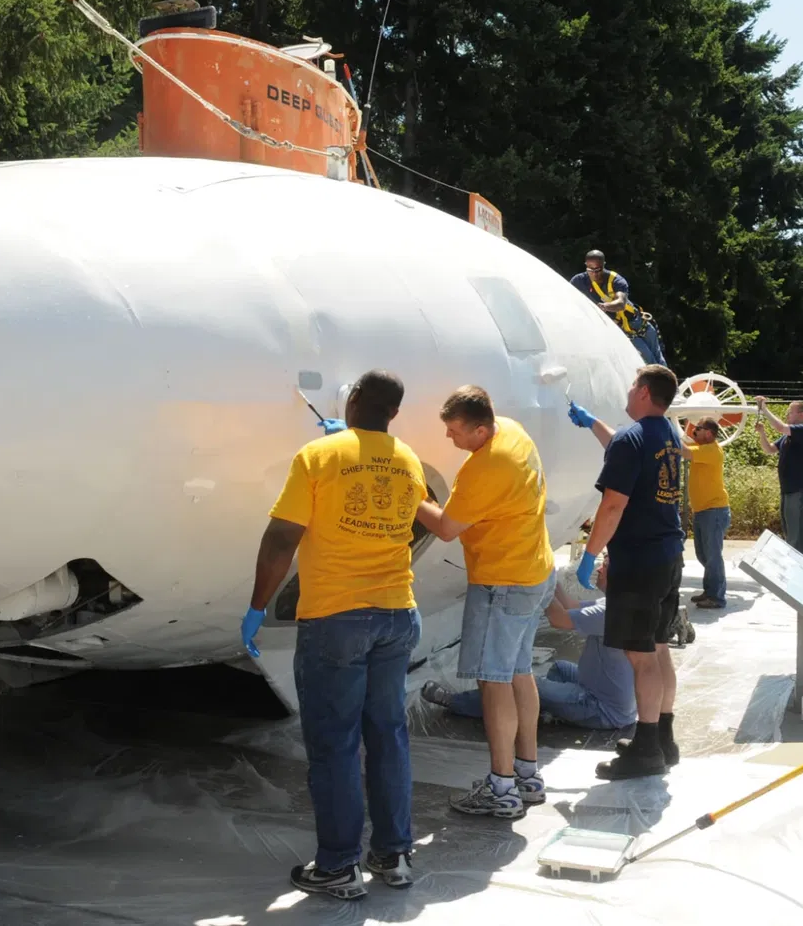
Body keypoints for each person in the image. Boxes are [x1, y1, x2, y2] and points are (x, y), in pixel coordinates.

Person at [240, 371, 426, 900]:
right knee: (387, 734)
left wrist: (258, 607)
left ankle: (339, 865)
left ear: (355, 400)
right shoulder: (408, 459)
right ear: (393, 412)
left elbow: (281, 537)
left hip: (337, 618)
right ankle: (393, 854)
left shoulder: (318, 456)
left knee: (335, 744)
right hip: (396, 614)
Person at [412, 387, 556, 820]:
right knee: (518, 672)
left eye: (456, 433)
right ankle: (527, 774)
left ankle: (502, 787)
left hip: (503, 582)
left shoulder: (488, 465)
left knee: (493, 683)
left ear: (479, 429)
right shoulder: (512, 431)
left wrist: (406, 487)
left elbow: (446, 527)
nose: (450, 440)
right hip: (533, 572)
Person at [565, 364, 683, 780]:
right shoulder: (667, 434)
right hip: (668, 555)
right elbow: (623, 446)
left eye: (634, 385)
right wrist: (591, 423)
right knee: (659, 646)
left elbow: (612, 506)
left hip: (639, 562)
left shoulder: (632, 440)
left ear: (645, 392)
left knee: (641, 657)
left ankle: (646, 749)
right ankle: (664, 739)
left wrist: (589, 554)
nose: (629, 390)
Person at [421, 557, 637, 733]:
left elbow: (559, 619)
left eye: (606, 566)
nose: (599, 568)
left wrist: (536, 584)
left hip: (601, 709)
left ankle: (457, 702)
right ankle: (543, 709)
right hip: (601, 694)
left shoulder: (610, 612)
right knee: (560, 668)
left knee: (533, 686)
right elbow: (570, 605)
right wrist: (548, 573)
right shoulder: (614, 602)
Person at [570, 249, 667, 366]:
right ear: (586, 265)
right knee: (650, 362)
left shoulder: (616, 280)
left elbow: (620, 303)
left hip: (638, 322)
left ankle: (668, 382)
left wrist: (605, 306)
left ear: (603, 265)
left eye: (598, 269)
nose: (595, 273)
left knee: (659, 358)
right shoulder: (579, 281)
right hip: (623, 330)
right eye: (591, 269)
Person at [681, 418, 732, 607]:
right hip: (704, 511)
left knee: (712, 555)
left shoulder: (711, 450)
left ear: (709, 433)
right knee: (704, 555)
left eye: (698, 429)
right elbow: (684, 445)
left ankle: (717, 596)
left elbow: (684, 451)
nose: (694, 432)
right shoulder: (701, 448)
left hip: (714, 511)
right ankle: (710, 591)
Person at [756, 397, 803, 556]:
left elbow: (781, 427)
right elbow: (769, 449)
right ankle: (796, 569)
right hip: (788, 491)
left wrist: (765, 409)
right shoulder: (786, 438)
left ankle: (800, 571)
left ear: (801, 415)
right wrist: (762, 433)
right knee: (790, 533)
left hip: (800, 491)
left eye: (790, 411)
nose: (787, 414)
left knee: (797, 536)